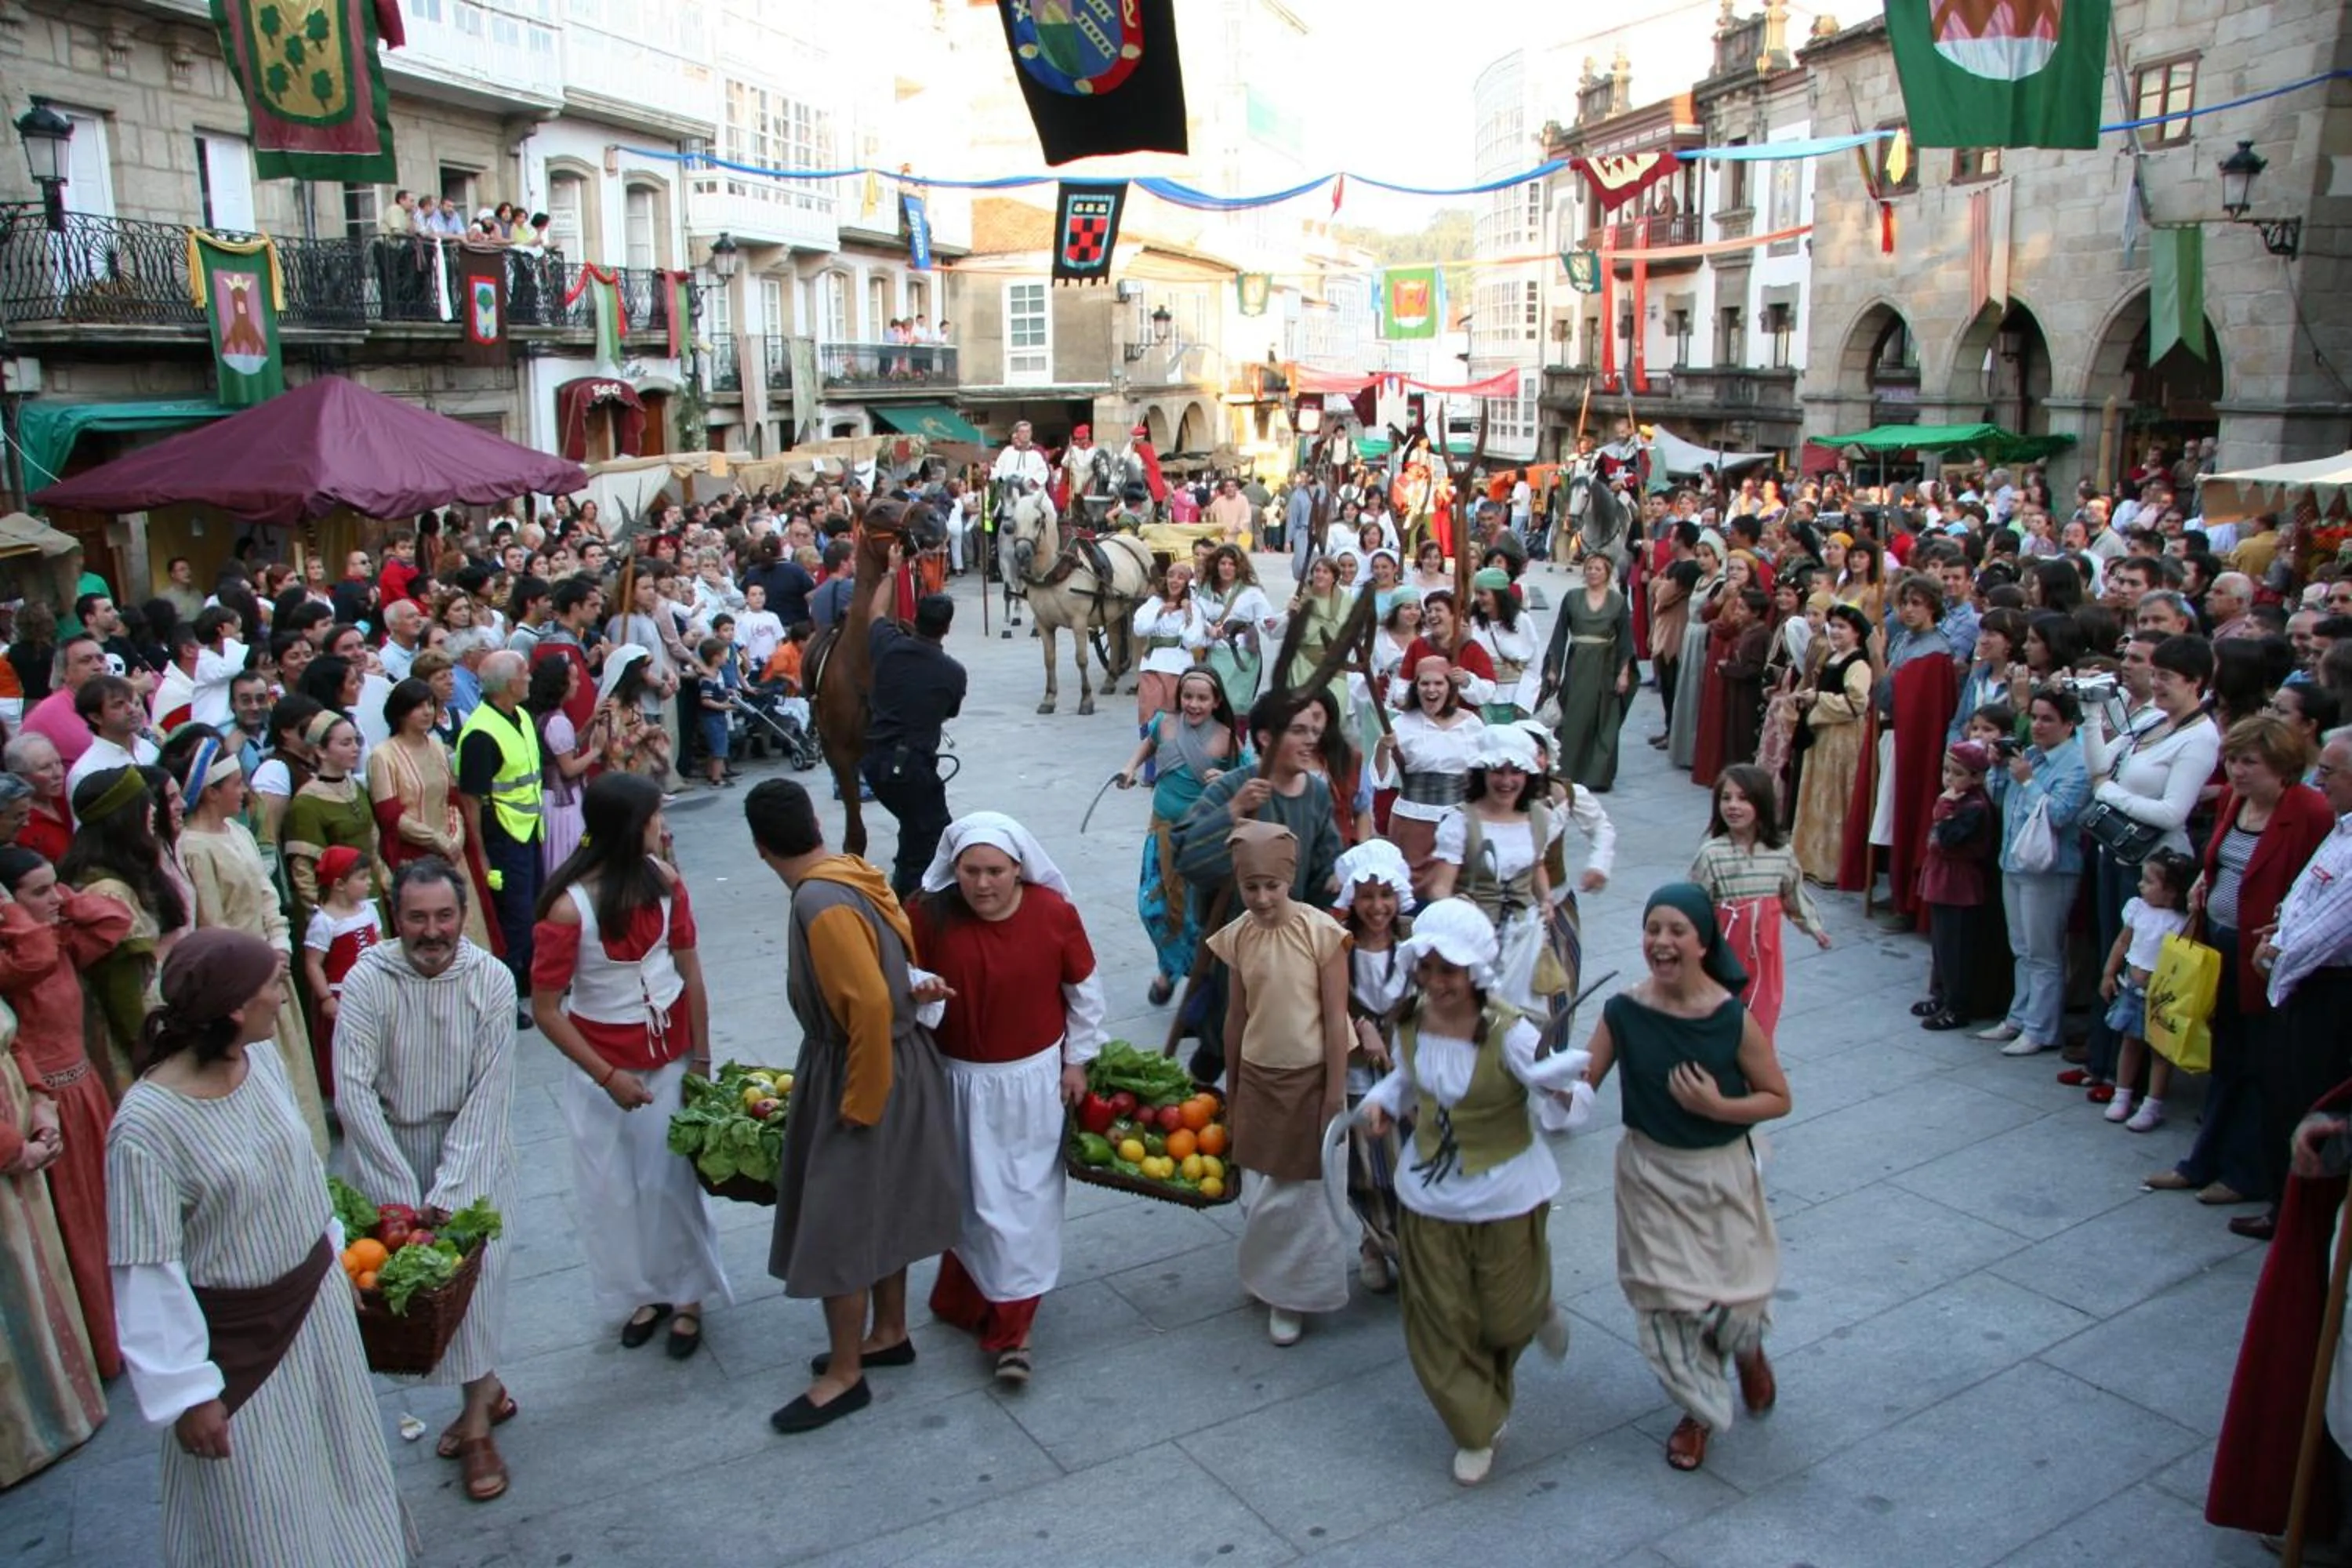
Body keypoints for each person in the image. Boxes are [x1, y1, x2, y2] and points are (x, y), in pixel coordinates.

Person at [104, 928, 405, 1564]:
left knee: (341, 1465)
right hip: (240, 1351)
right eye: (273, 984)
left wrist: (332, 1258)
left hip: (316, 1311)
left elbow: (298, 1167)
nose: (284, 996)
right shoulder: (145, 1127)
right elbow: (147, 1271)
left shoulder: (257, 1056)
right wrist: (189, 1393)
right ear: (236, 1006)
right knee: (263, 1503)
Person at [746, 778, 963, 1432]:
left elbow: (866, 1003)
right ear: (814, 824)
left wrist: (860, 1103)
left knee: (837, 1221)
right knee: (885, 1203)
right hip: (896, 1058)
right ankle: (889, 1330)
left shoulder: (817, 900)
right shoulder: (852, 871)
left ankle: (845, 1374)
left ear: (760, 848)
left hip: (863, 1067)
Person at [1359, 896, 1584, 1485]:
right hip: (1431, 1192)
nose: (1435, 982)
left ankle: (1533, 1310)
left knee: (1506, 1317)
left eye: (1448, 970)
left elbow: (1559, 1091)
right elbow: (1406, 1081)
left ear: (1476, 973)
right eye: (1427, 968)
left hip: (1506, 1188)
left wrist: (1557, 1086)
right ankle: (1474, 1425)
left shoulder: (1508, 1032)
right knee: (1440, 1318)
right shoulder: (1409, 1023)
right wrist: (1382, 1104)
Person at [1584, 884, 1791, 1473]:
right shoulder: (1623, 1009)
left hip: (1719, 1173)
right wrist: (1548, 1078)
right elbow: (1583, 1083)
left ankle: (1745, 1346)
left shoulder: (1731, 1018)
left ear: (1703, 942)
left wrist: (1718, 1107)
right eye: (1653, 929)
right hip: (1648, 1175)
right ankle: (1697, 1410)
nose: (1661, 942)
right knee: (1670, 1301)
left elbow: (1778, 1098)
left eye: (1677, 931)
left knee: (1734, 1292)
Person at [333, 858, 519, 1502]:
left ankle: (474, 1425)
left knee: (477, 1285)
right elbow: (352, 1089)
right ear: (396, 918)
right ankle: (488, 1395)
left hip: (473, 1147)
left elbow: (491, 1093)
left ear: (462, 916)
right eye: (417, 917)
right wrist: (400, 1201)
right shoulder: (366, 981)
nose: (431, 931)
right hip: (391, 1148)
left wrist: (448, 1195)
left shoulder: (491, 980)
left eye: (444, 916)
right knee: (421, 1301)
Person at [531, 773, 730, 1359]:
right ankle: (644, 1292)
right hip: (603, 1065)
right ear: (627, 828)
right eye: (653, 818)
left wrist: (702, 1058)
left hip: (668, 1056)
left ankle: (689, 1294)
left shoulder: (667, 883)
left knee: (669, 1182)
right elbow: (547, 1010)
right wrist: (607, 1076)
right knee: (612, 1188)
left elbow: (691, 972)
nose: (662, 827)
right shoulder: (568, 909)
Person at [907, 815, 1106, 1385]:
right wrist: (917, 987)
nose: (982, 884)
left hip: (1031, 1084)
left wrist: (1077, 1061)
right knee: (972, 1196)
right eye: (970, 871)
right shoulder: (929, 913)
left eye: (995, 871)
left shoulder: (1052, 913)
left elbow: (1084, 991)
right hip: (957, 1082)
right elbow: (895, 969)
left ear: (1019, 869)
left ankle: (1012, 1334)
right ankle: (965, 1296)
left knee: (1023, 1204)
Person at [1203, 821, 1352, 1347]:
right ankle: (1269, 1275)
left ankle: (1293, 1294)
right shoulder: (1239, 937)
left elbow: (1336, 1019)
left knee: (1304, 1199)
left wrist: (1334, 1092)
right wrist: (1235, 1088)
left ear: (1290, 878)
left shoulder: (1321, 933)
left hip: (1311, 1080)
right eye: (1251, 886)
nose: (1263, 897)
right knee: (1261, 1192)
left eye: (1273, 885)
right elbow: (1236, 1018)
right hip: (1260, 1077)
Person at [0, 845, 133, 1381]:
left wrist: (59, 899)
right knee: (77, 1224)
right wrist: (16, 913)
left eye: (56, 885)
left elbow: (114, 921)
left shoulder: (54, 938)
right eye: (39, 891)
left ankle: (130, 1325)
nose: (54, 898)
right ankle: (101, 1345)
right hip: (47, 1103)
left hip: (86, 1091)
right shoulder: (17, 959)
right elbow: (30, 955)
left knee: (109, 1214)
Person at [172, 734, 328, 1157]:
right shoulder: (193, 847)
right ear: (211, 792)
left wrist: (280, 945)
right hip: (242, 983)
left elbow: (266, 894)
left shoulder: (237, 835)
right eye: (237, 784)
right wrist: (249, 969)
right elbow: (211, 922)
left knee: (292, 1069)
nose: (245, 792)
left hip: (271, 966)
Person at [1424, 728, 1571, 1023]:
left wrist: (1546, 899)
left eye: (1515, 772)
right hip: (1475, 938)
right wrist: (1461, 906)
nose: (1506, 781)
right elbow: (1438, 888)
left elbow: (1536, 865)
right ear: (1483, 774)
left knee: (1519, 1018)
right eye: (1498, 772)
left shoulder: (1538, 816)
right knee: (1476, 1017)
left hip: (1521, 934)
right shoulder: (1461, 821)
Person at [1116, 668, 1243, 1007]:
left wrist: (1226, 778)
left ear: (1216, 702)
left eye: (1203, 698)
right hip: (1160, 833)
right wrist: (1130, 768)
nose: (1194, 704)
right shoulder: (1165, 723)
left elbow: (1250, 773)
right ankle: (1172, 966)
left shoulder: (1227, 738)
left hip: (1202, 841)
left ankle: (1180, 976)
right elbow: (1149, 744)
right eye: (1188, 696)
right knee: (1152, 907)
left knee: (1189, 914)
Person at [62, 768, 191, 1098]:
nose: (153, 812)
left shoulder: (120, 874)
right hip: (134, 1041)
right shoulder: (108, 892)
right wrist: (150, 1050)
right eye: (144, 805)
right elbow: (123, 991)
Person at [1981, 688, 2092, 1057]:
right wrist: (1999, 769)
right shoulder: (2029, 754)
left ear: (2069, 724)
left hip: (2052, 869)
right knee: (2022, 947)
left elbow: (2059, 815)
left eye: (2048, 719)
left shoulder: (2077, 764)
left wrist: (2028, 781)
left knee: (2043, 952)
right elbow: (2000, 801)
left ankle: (2042, 1028)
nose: (2039, 726)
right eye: (2035, 717)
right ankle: (2019, 1017)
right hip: (2014, 861)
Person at [1689, 765, 1831, 1037]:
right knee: (1721, 1015)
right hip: (1724, 951)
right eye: (1726, 798)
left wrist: (1813, 926)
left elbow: (1793, 894)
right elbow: (1695, 906)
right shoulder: (1711, 854)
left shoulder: (1781, 853)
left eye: (1743, 798)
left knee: (1762, 1017)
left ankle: (1755, 1071)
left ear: (1762, 803)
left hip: (1765, 956)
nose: (1733, 806)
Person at [369, 677, 497, 956]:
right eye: (419, 706)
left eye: (430, 704)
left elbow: (452, 799)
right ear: (401, 711)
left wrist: (455, 837)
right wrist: (437, 841)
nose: (428, 712)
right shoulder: (384, 755)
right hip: (415, 854)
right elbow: (391, 817)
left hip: (453, 851)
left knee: (469, 928)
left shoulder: (437, 746)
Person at [1334, 840, 1412, 1294]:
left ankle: (1403, 1240)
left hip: (1405, 1071)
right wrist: (1360, 1023)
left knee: (1406, 1161)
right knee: (1368, 1165)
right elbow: (1330, 1000)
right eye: (1367, 897)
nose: (1377, 907)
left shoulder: (1414, 942)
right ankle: (1374, 1242)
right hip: (1360, 1072)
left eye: (1386, 895)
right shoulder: (1340, 949)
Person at [862, 585, 967, 901]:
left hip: (873, 761)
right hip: (911, 769)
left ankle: (903, 880)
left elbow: (875, 612)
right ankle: (913, 903)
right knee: (936, 835)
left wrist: (891, 573)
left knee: (913, 825)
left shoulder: (888, 646)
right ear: (947, 628)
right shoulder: (952, 672)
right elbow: (949, 712)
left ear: (915, 619)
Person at [457, 651, 544, 1025]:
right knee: (513, 920)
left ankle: (528, 980)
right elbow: (471, 802)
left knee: (531, 913)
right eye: (525, 672)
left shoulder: (521, 716)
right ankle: (504, 1000)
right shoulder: (479, 734)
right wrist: (482, 857)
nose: (530, 677)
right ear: (510, 682)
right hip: (502, 837)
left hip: (529, 830)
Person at [2095, 849, 2197, 1133]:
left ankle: (2153, 1105)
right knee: (2129, 1042)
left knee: (2160, 1052)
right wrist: (2108, 972)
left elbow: (2185, 953)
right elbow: (2122, 942)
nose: (2141, 885)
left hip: (2162, 994)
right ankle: (2122, 1093)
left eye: (2149, 881)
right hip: (2132, 988)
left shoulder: (2181, 921)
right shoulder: (2137, 909)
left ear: (2171, 891)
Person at [1914, 739, 2006, 1031]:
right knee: (1941, 944)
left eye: (1957, 773)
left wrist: (1944, 808)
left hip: (1960, 883)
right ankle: (1941, 995)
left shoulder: (1974, 806)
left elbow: (1948, 838)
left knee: (1956, 948)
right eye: (1946, 771)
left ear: (1977, 777)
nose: (1949, 779)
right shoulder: (1960, 801)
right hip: (1944, 877)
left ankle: (1957, 1005)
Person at [1377, 657, 1487, 896]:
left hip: (1458, 819)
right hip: (1413, 821)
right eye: (1425, 684)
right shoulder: (1403, 724)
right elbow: (1381, 778)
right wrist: (1383, 749)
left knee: (1457, 887)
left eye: (1438, 683)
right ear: (1416, 688)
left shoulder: (1471, 724)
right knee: (1412, 889)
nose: (1432, 690)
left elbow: (1483, 774)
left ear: (1449, 687)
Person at [1791, 605, 1875, 883]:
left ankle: (1835, 865)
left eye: (1842, 627)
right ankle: (1813, 859)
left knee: (1836, 799)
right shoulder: (1834, 656)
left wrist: (1818, 700)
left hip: (1843, 738)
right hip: (1824, 735)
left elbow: (1857, 704)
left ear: (1856, 633)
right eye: (1834, 626)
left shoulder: (1858, 664)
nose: (1836, 632)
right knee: (1819, 795)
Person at [1540, 552, 1637, 791]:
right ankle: (1567, 770)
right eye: (1590, 568)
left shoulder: (1616, 602)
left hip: (1606, 665)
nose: (1593, 572)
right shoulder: (1572, 598)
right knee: (1573, 717)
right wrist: (1554, 669)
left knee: (1602, 719)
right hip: (1578, 665)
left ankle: (1597, 775)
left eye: (1598, 569)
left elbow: (1625, 640)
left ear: (1607, 573)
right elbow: (1560, 634)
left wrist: (1624, 673)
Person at [280, 712, 378, 941]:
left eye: (356, 741)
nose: (355, 748)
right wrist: (328, 917)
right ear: (321, 751)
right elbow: (303, 870)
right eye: (345, 743)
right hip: (340, 909)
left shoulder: (357, 788)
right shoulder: (307, 803)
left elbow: (374, 845)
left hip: (371, 895)